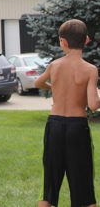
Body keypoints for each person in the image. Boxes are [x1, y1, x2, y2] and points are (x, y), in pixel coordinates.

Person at [34, 19, 100, 207]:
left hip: (53, 125)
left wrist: (54, 87)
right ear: (86, 40)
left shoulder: (55, 66)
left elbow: (38, 83)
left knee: (49, 185)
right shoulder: (90, 69)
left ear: (63, 42)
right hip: (77, 128)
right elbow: (93, 104)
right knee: (83, 185)